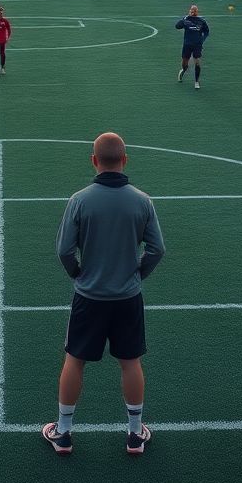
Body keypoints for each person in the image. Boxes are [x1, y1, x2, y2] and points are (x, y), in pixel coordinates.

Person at [43, 132, 164, 456]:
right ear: (124, 160)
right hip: (127, 296)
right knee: (130, 361)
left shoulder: (80, 200)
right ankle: (135, 434)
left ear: (94, 161)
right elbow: (157, 249)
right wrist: (139, 273)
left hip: (90, 296)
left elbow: (64, 250)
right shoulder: (142, 200)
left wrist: (78, 273)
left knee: (75, 359)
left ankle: (64, 433)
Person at [175, 4, 209, 90]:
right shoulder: (186, 19)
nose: (193, 12)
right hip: (187, 45)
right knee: (184, 63)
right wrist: (183, 19)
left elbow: (207, 32)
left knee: (197, 62)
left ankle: (196, 81)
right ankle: (183, 70)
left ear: (197, 12)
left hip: (197, 45)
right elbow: (177, 26)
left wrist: (202, 40)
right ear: (189, 11)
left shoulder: (202, 21)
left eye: (195, 11)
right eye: (191, 10)